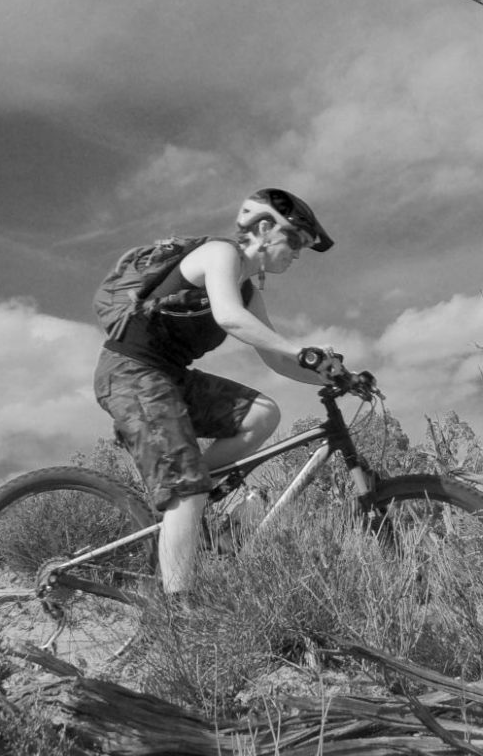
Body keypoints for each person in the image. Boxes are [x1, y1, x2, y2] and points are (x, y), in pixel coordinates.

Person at [95, 187, 360, 597]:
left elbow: (275, 357)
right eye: (295, 240)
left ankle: (185, 500)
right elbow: (228, 317)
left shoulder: (250, 289)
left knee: (262, 414)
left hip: (171, 377)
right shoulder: (221, 254)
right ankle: (180, 614)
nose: (297, 253)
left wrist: (335, 377)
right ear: (265, 229)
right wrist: (299, 350)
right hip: (130, 372)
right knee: (187, 486)